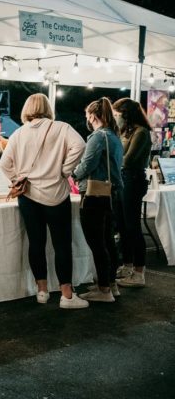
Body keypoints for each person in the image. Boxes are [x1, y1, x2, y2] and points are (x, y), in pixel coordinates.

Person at [0, 93, 88, 309]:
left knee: (36, 243)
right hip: (57, 195)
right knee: (61, 245)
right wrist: (65, 170)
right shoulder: (62, 128)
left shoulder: (19, 134)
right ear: (48, 108)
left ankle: (42, 291)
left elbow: (4, 163)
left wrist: (17, 179)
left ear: (27, 109)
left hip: (28, 197)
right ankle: (66, 295)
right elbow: (80, 146)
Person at [72, 98, 124, 302]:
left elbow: (88, 164)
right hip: (110, 194)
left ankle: (103, 290)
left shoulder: (98, 136)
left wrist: (72, 173)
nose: (87, 119)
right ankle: (110, 284)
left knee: (97, 242)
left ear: (93, 116)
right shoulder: (113, 135)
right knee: (108, 240)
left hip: (95, 194)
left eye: (87, 115)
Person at [112, 98, 153, 288]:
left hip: (133, 180)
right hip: (122, 180)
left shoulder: (141, 133)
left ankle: (139, 271)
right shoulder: (124, 132)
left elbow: (126, 160)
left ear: (126, 114)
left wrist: (112, 158)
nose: (115, 117)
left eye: (117, 114)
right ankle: (127, 265)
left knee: (132, 226)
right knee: (121, 224)